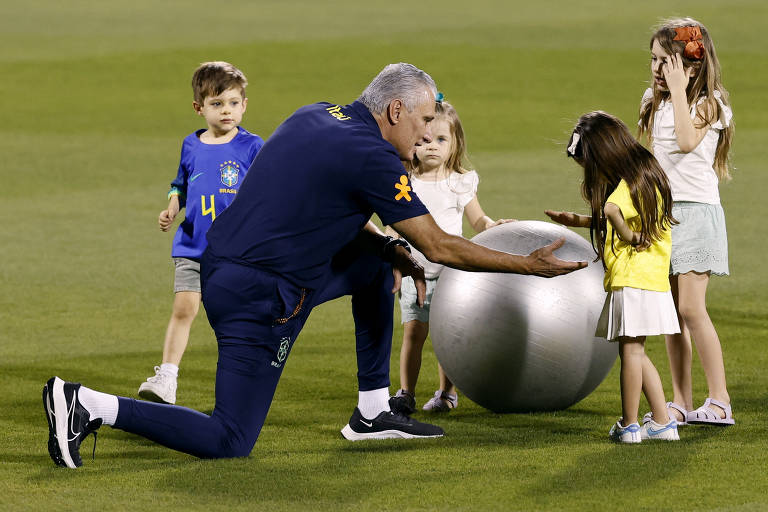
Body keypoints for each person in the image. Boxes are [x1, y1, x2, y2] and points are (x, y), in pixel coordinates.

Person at [43, 63, 586, 469]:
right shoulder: (373, 157)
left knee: (378, 261)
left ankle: (372, 412)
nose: (425, 135)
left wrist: (387, 246)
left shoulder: (315, 114)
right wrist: (526, 265)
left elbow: (316, 203)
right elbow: (440, 246)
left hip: (231, 267)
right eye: (421, 121)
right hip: (260, 296)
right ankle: (88, 404)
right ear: (394, 111)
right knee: (230, 438)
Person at [546, 111, 680, 443]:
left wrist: (616, 223)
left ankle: (629, 424)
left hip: (631, 278)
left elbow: (618, 219)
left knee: (630, 352)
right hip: (651, 278)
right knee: (635, 350)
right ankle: (662, 422)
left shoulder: (622, 190)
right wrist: (577, 220)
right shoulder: (646, 176)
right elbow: (629, 222)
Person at [137, 61, 264, 405]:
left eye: (234, 103)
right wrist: (171, 209)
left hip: (235, 253)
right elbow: (179, 184)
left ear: (244, 104)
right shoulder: (191, 145)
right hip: (193, 246)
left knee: (235, 320)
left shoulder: (253, 147)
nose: (227, 111)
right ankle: (167, 377)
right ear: (199, 108)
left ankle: (243, 389)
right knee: (184, 309)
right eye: (217, 104)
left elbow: (266, 191)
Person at [387, 98, 514, 415]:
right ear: (415, 141)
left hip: (450, 275)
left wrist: (492, 226)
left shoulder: (460, 183)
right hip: (415, 273)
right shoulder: (406, 183)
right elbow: (392, 227)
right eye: (426, 139)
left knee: (448, 338)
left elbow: (478, 221)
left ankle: (446, 393)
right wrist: (392, 248)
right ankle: (406, 393)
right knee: (413, 334)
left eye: (442, 139)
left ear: (455, 144)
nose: (432, 146)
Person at [638, 18, 734, 426]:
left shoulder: (709, 105)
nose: (657, 70)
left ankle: (720, 400)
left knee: (691, 308)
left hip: (696, 215)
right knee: (672, 315)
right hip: (665, 216)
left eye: (666, 63)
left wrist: (678, 92)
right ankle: (681, 401)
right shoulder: (654, 99)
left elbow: (685, 141)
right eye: (654, 61)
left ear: (692, 66)